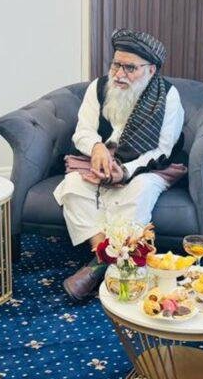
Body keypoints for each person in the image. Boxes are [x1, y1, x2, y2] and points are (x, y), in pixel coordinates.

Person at [58, 28, 186, 300]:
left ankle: (96, 269)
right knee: (72, 187)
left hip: (148, 165)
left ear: (151, 70)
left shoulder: (168, 96)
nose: (119, 74)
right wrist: (96, 147)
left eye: (130, 68)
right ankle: (105, 257)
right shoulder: (99, 87)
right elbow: (83, 131)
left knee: (139, 191)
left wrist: (125, 171)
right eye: (116, 64)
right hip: (100, 160)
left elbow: (162, 149)